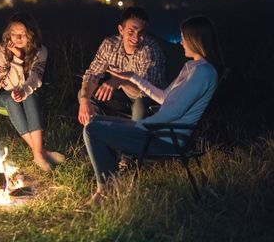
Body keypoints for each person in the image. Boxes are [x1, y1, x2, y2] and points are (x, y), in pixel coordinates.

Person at [82, 16, 224, 207]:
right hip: (158, 130)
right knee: (94, 122)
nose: (181, 42)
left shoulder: (204, 72)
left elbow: (174, 113)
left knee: (93, 130)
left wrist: (139, 126)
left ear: (195, 40)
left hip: (166, 139)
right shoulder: (192, 67)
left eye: (183, 38)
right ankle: (113, 185)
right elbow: (165, 98)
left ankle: (106, 192)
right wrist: (133, 77)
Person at [0, 13, 65, 171]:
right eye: (13, 34)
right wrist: (17, 59)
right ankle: (40, 152)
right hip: (3, 94)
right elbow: (8, 84)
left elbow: (35, 78)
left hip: (29, 90)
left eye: (22, 34)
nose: (17, 38)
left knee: (28, 96)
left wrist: (23, 91)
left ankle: (38, 155)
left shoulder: (40, 51)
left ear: (31, 34)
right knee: (11, 99)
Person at [78, 7, 166, 125]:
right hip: (123, 96)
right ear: (121, 29)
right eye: (131, 32)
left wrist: (119, 81)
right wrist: (84, 100)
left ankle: (131, 138)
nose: (136, 37)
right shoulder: (110, 45)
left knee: (140, 104)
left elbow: (145, 91)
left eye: (141, 33)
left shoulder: (150, 50)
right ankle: (98, 131)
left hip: (149, 99)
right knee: (85, 95)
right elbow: (93, 74)